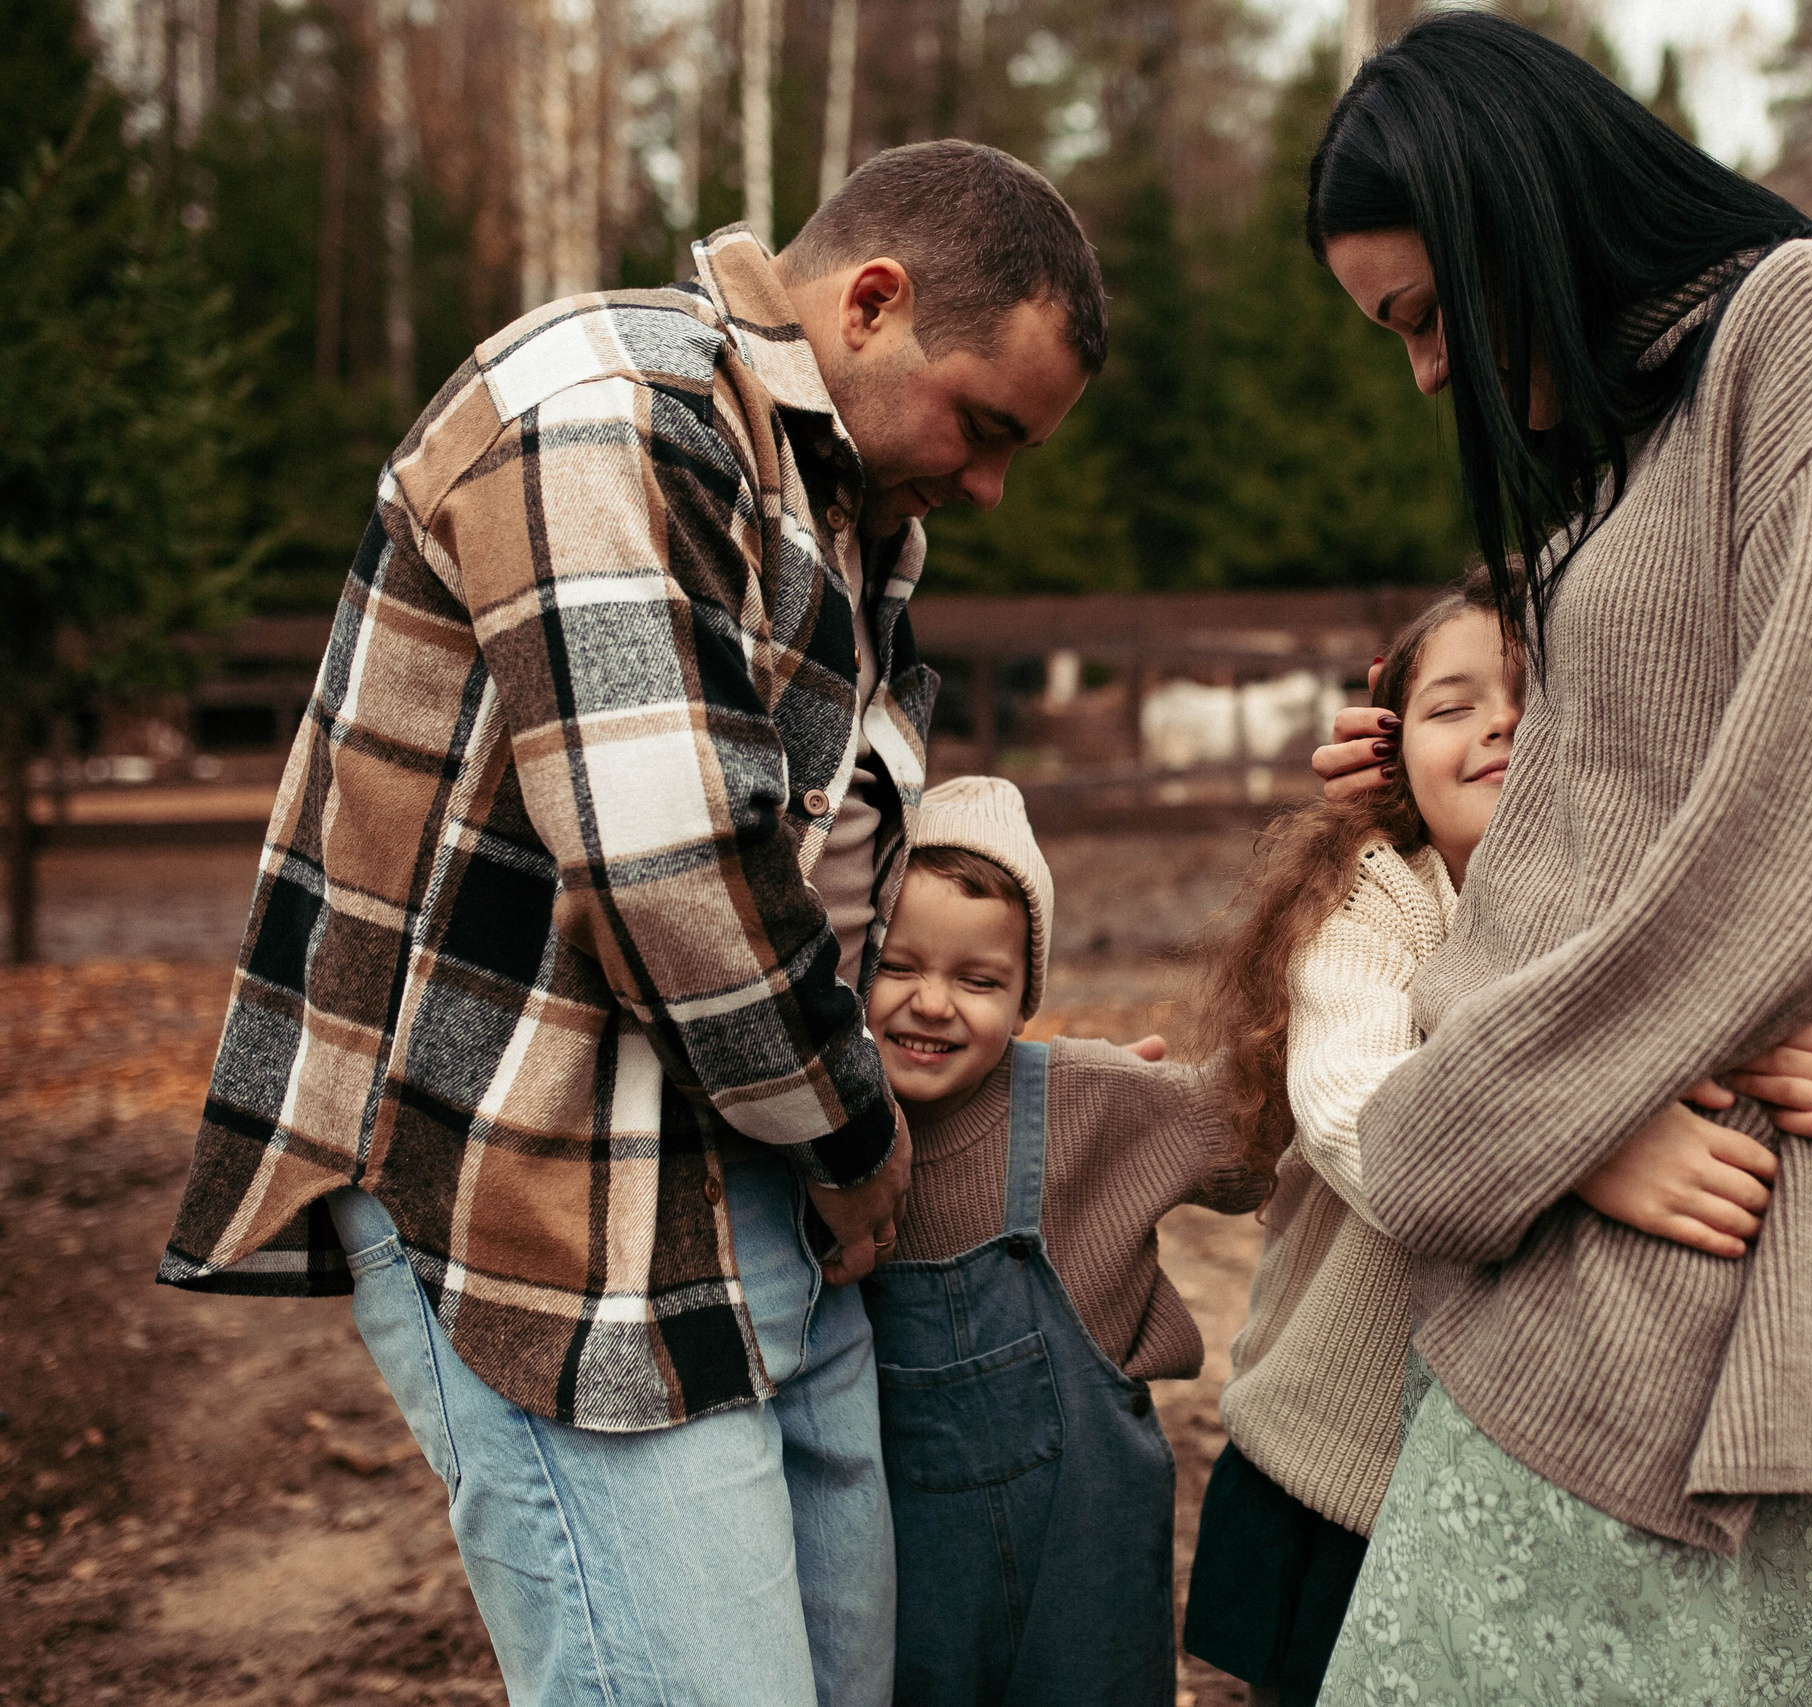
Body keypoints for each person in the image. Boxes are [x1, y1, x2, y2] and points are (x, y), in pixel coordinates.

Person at [154, 141, 1107, 1707]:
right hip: (530, 1176)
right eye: (988, 425)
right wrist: (862, 1142)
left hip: (756, 1171)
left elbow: (831, 852)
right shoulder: (603, 409)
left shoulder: (846, 505)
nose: (994, 482)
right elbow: (680, 874)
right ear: (871, 303)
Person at [1300, 13, 1812, 1702]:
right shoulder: (1644, 436)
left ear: (1513, 219)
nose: (1422, 374)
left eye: (1420, 318)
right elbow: (1621, 812)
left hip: (1660, 1281)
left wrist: (1506, 1120)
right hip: (1554, 1245)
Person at [1181, 571, 1812, 1707]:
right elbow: (1353, 1102)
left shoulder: (1649, 926)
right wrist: (1578, 1146)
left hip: (1542, 1472)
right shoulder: (1381, 905)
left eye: (1531, 695)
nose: (1498, 723)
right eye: (1450, 707)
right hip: (1346, 1464)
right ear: (1387, 752)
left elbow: (1803, 1147)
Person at [857, 775, 1271, 1706]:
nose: (933, 1003)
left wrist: (1139, 1117)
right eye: (898, 964)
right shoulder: (822, 1129)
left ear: (1026, 992)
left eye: (979, 980)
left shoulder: (1083, 1097)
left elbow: (1252, 1139)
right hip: (906, 1582)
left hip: (1088, 1567)